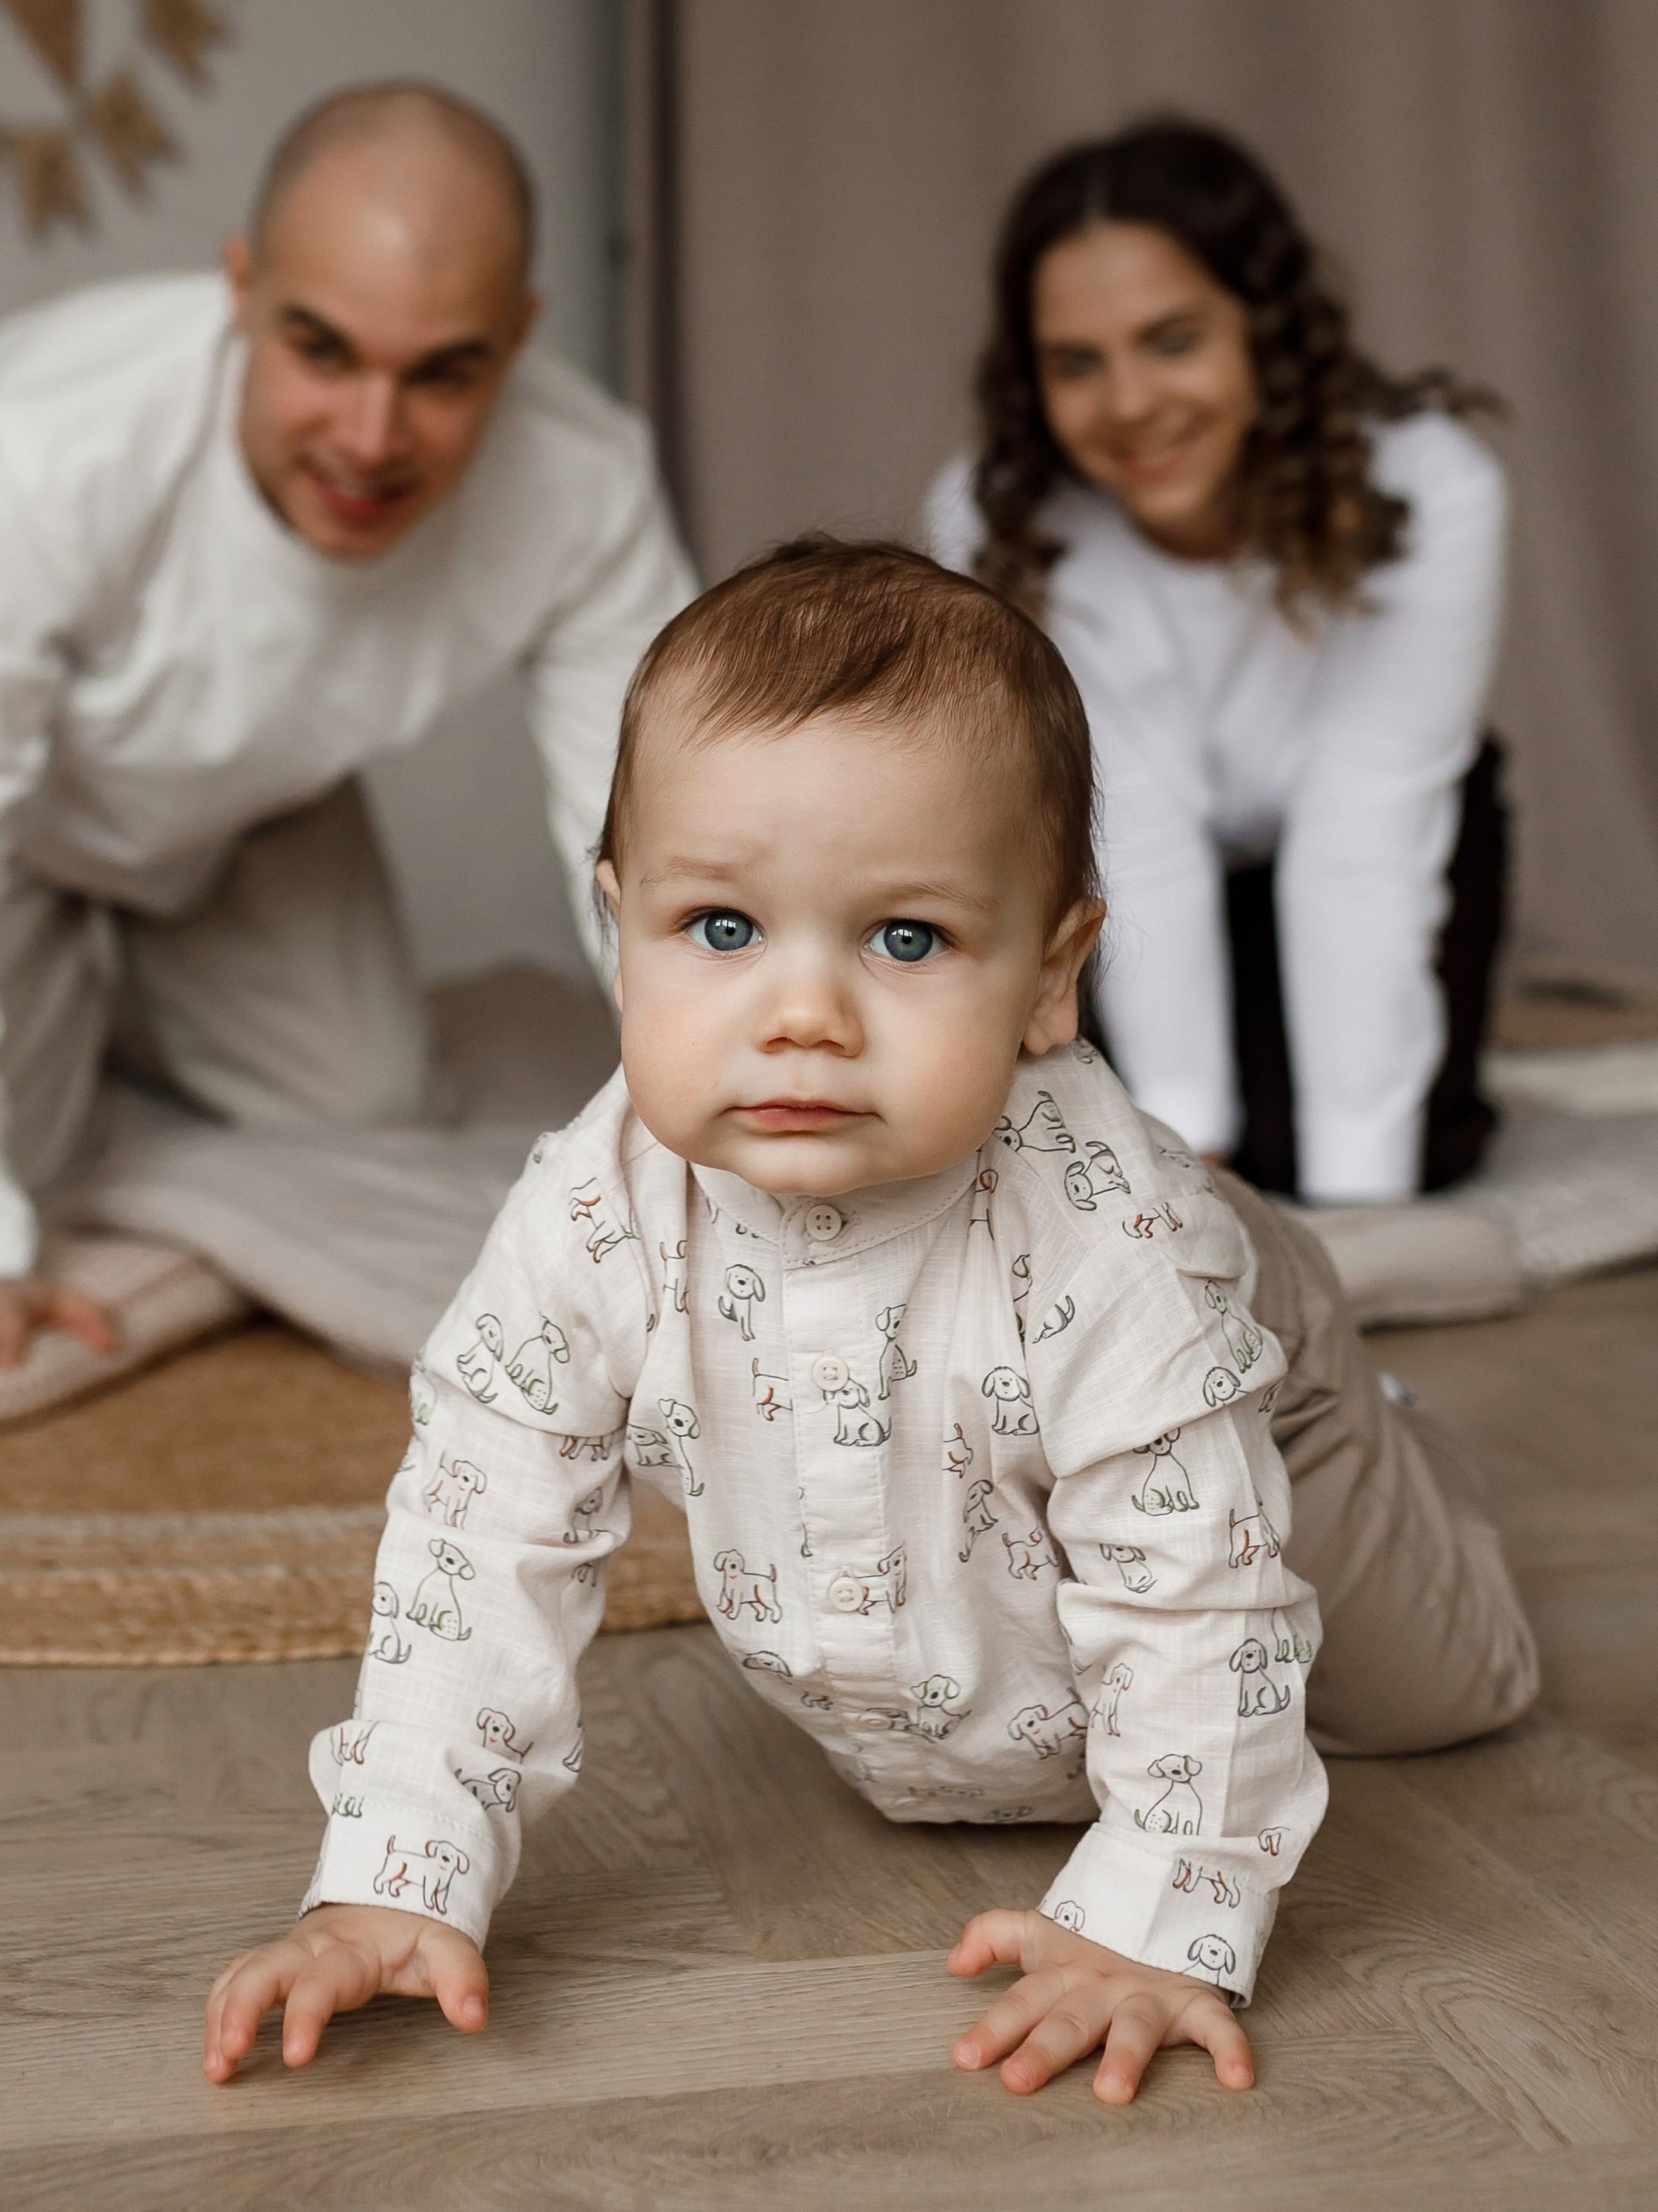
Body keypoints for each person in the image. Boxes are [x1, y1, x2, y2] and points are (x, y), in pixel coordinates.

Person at [202, 541, 1534, 2105]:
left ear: (1049, 980)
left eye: (903, 940)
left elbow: (1196, 1610)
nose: (801, 1015)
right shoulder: (593, 1206)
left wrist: (1168, 1919)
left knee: (1435, 1693)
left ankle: (1334, 1397)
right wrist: (393, 1872)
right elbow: (475, 1530)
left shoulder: (1113, 1250)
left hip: (1227, 1381)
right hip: (984, 1582)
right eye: (718, 929)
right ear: (616, 923)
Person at [0, 80, 695, 1367]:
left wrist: (747, 1124)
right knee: (9, 1170)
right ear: (240, 292)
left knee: (371, 1104)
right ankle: (53, 977)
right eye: (321, 352)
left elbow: (655, 837)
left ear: (519, 337)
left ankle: (120, 981)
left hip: (251, 787)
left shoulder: (584, 483)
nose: (372, 439)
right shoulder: (42, 454)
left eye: (445, 373)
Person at [925, 118, 1520, 1319]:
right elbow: (1127, 820)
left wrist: (1363, 1228)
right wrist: (1188, 1165)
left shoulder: (1435, 485)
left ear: (1263, 326)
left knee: (1375, 1149)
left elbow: (1367, 838)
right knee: (1121, 1161)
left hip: (1378, 845)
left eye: (1173, 341)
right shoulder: (997, 523)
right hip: (1125, 868)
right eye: (1078, 363)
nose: (1132, 402)